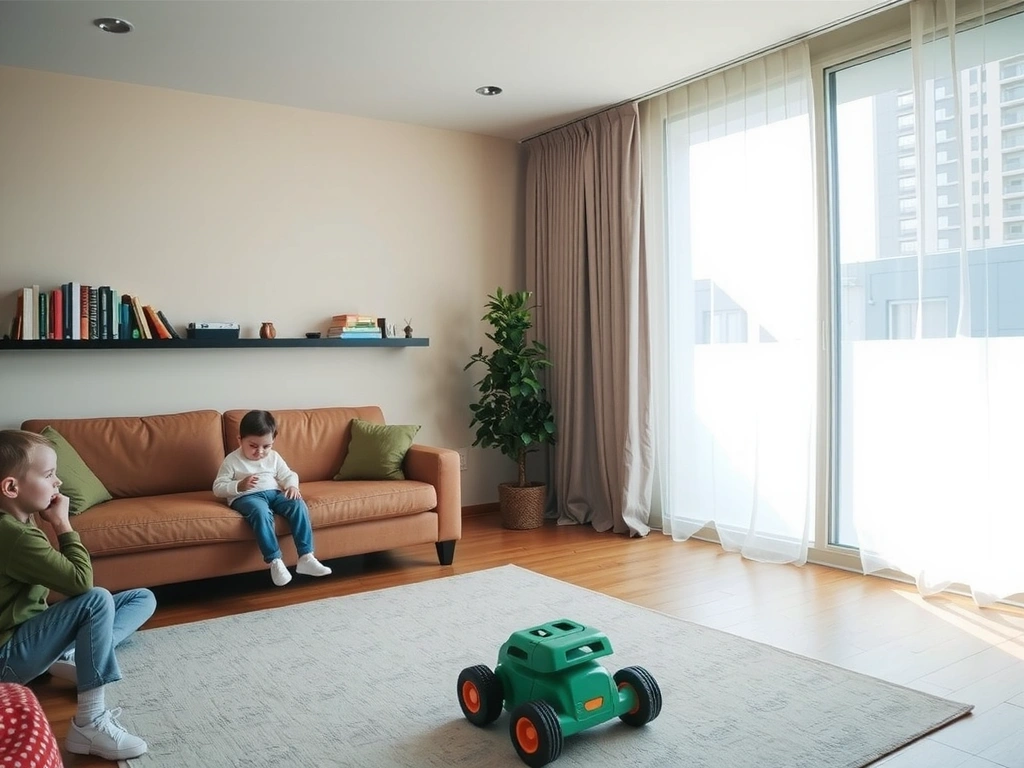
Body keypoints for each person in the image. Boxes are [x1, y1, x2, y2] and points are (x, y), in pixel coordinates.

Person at [0, 429, 155, 761]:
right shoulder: (12, 536)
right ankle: (90, 721)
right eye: (49, 475)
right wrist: (63, 525)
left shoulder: (17, 523)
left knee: (141, 597)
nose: (58, 483)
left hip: (27, 635)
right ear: (11, 487)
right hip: (7, 658)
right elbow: (81, 582)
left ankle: (77, 658)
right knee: (97, 599)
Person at [213, 410, 332, 587]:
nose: (260, 452)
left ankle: (306, 556)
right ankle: (275, 561)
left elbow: (288, 474)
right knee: (261, 512)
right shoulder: (232, 461)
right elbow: (218, 487)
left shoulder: (274, 457)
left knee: (297, 504)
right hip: (247, 497)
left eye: (266, 446)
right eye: (253, 446)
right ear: (240, 440)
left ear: (273, 442)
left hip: (274, 493)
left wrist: (292, 486)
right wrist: (239, 486)